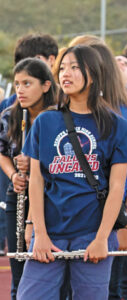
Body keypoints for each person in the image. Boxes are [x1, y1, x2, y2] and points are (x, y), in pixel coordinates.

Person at [17, 45, 127, 299]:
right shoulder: (45, 122)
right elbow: (36, 180)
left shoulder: (119, 127)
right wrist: (39, 233)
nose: (65, 74)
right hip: (50, 233)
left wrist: (103, 237)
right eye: (62, 68)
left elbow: (118, 187)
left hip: (92, 233)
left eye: (74, 67)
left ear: (92, 74)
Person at [0, 58, 57, 299]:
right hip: (19, 196)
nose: (20, 90)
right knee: (19, 269)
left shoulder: (58, 116)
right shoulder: (9, 115)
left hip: (52, 198)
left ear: (45, 85)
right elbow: (2, 152)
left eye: (27, 83)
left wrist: (34, 164)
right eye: (17, 84)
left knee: (49, 271)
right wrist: (14, 173)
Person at [0, 33, 58, 112]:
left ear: (51, 60)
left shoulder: (65, 99)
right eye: (23, 62)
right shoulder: (11, 105)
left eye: (36, 60)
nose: (28, 67)